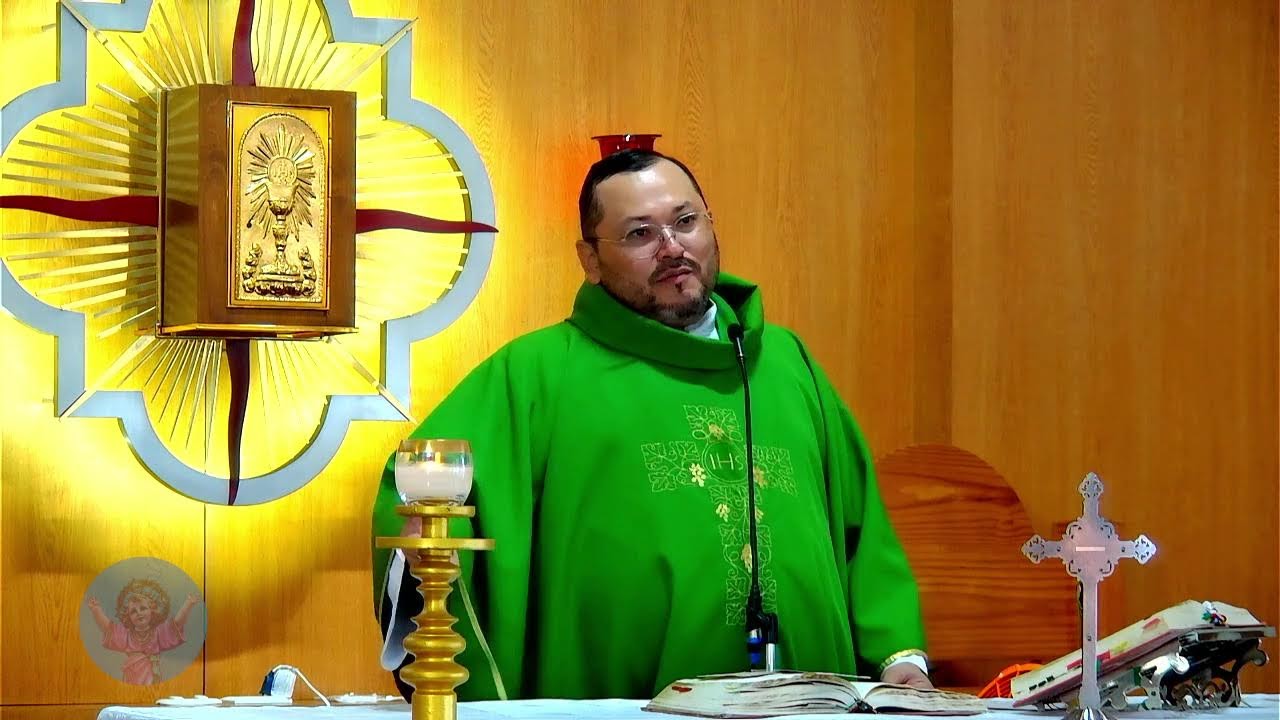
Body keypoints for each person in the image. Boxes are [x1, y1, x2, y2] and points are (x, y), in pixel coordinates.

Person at [371, 149, 931, 701]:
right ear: (589, 259)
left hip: (809, 705)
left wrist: (899, 658)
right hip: (617, 706)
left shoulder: (787, 363)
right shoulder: (538, 373)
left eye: (685, 222)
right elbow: (420, 482)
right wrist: (426, 550)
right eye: (640, 234)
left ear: (710, 226)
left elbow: (865, 533)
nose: (672, 248)